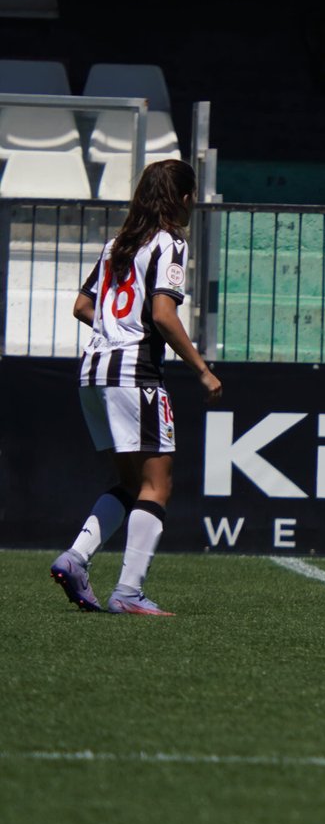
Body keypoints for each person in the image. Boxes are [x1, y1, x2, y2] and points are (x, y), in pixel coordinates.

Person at [49, 159, 223, 616]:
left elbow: (82, 306)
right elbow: (164, 315)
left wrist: (114, 327)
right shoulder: (170, 243)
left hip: (93, 370)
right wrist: (203, 370)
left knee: (129, 481)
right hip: (134, 373)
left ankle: (76, 556)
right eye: (192, 196)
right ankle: (128, 592)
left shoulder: (116, 244)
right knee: (158, 484)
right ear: (183, 199)